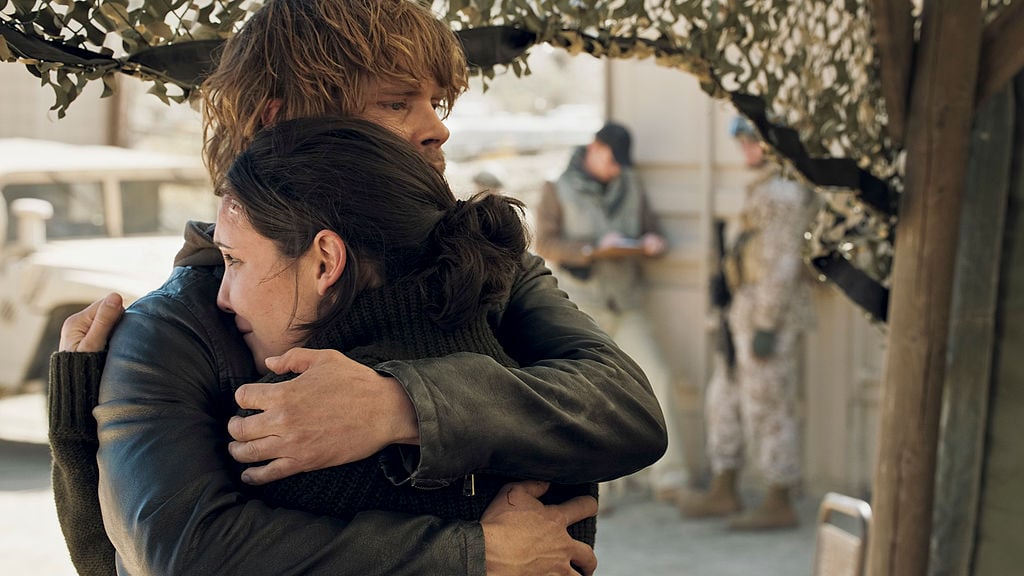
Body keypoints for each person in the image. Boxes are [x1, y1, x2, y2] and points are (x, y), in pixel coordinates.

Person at [48, 1, 666, 574]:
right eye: (397, 103)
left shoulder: (484, 269)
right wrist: (475, 554)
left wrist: (402, 407)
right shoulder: (178, 327)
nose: (436, 129)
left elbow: (628, 413)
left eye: (436, 102)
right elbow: (179, 551)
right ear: (284, 120)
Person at [675, 116, 817, 530]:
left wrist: (768, 326)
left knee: (768, 405)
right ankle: (725, 487)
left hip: (764, 315)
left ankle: (779, 497)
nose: (746, 151)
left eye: (751, 142)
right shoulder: (765, 188)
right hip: (743, 309)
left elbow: (781, 265)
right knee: (726, 398)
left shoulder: (783, 193)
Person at [534, 121, 686, 501]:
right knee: (591, 395)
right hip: (584, 308)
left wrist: (653, 241)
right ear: (595, 149)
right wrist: (592, 249)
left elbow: (653, 229)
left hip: (629, 303)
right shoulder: (556, 186)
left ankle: (670, 480)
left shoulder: (631, 183)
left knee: (658, 379)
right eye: (612, 161)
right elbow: (545, 243)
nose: (616, 169)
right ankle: (601, 489)